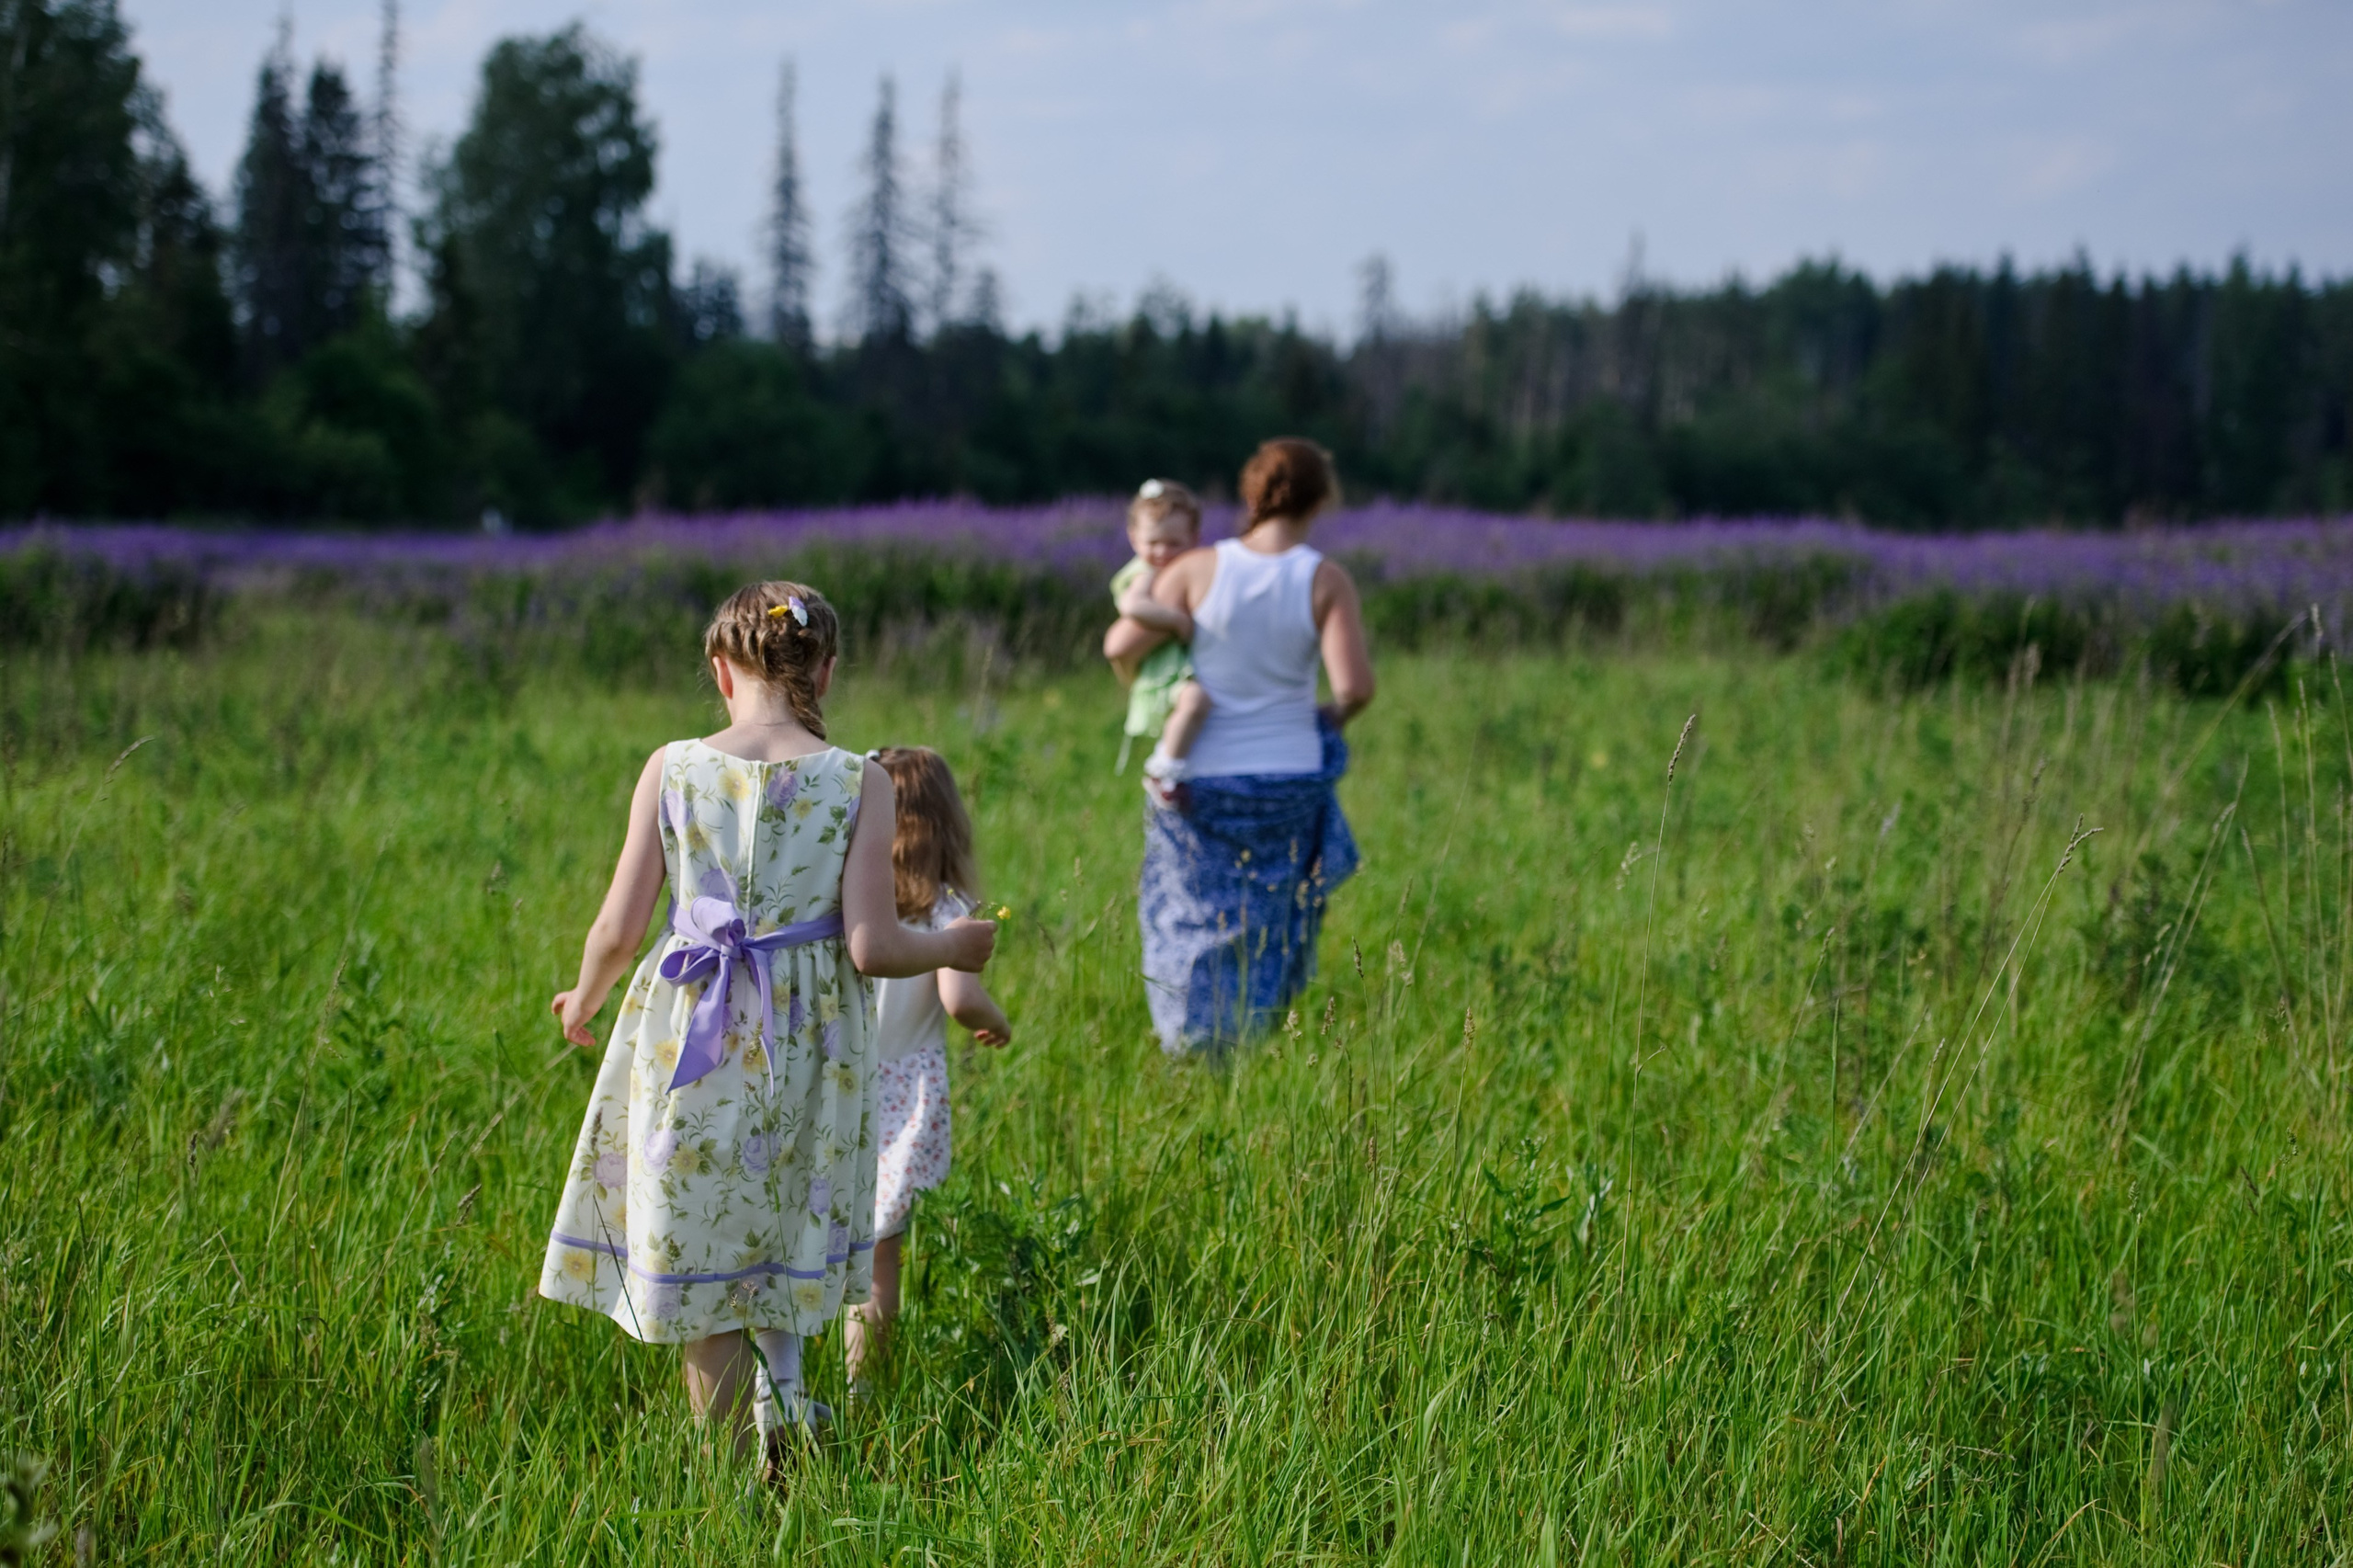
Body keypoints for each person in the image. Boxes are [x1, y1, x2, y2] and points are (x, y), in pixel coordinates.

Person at [538, 582, 997, 1482]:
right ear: (823, 670)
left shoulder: (670, 765)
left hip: (691, 1032)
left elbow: (618, 925)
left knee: (707, 1250)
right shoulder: (856, 778)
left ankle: (721, 1473)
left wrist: (584, 994)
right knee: (785, 1227)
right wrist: (954, 942)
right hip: (810, 1036)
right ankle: (784, 1408)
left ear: (720, 670)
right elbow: (869, 944)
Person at [1103, 438, 1376, 1053]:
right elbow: (1356, 687)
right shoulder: (1326, 579)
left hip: (1199, 773)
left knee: (1190, 910)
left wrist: (1161, 688)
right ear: (1321, 498)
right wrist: (1325, 717)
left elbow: (1121, 645)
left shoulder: (1194, 571)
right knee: (1275, 917)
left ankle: (1190, 1040)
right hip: (1289, 776)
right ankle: (1258, 1038)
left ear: (1252, 494)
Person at [843, 746, 1013, 1397]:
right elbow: (959, 998)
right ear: (946, 823)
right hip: (901, 1097)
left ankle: (788, 1383)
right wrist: (997, 1020)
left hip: (838, 1084)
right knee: (880, 1261)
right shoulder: (945, 909)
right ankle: (865, 1391)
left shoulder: (852, 903)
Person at [1108, 478, 1213, 782]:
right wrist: (1176, 620)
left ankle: (1172, 768)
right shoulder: (1146, 573)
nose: (1162, 551)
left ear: (1195, 539)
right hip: (1163, 673)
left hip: (1180, 669)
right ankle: (1164, 770)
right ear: (1133, 539)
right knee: (1195, 701)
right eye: (1153, 543)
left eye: (1174, 543)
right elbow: (1132, 605)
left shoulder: (1192, 570)